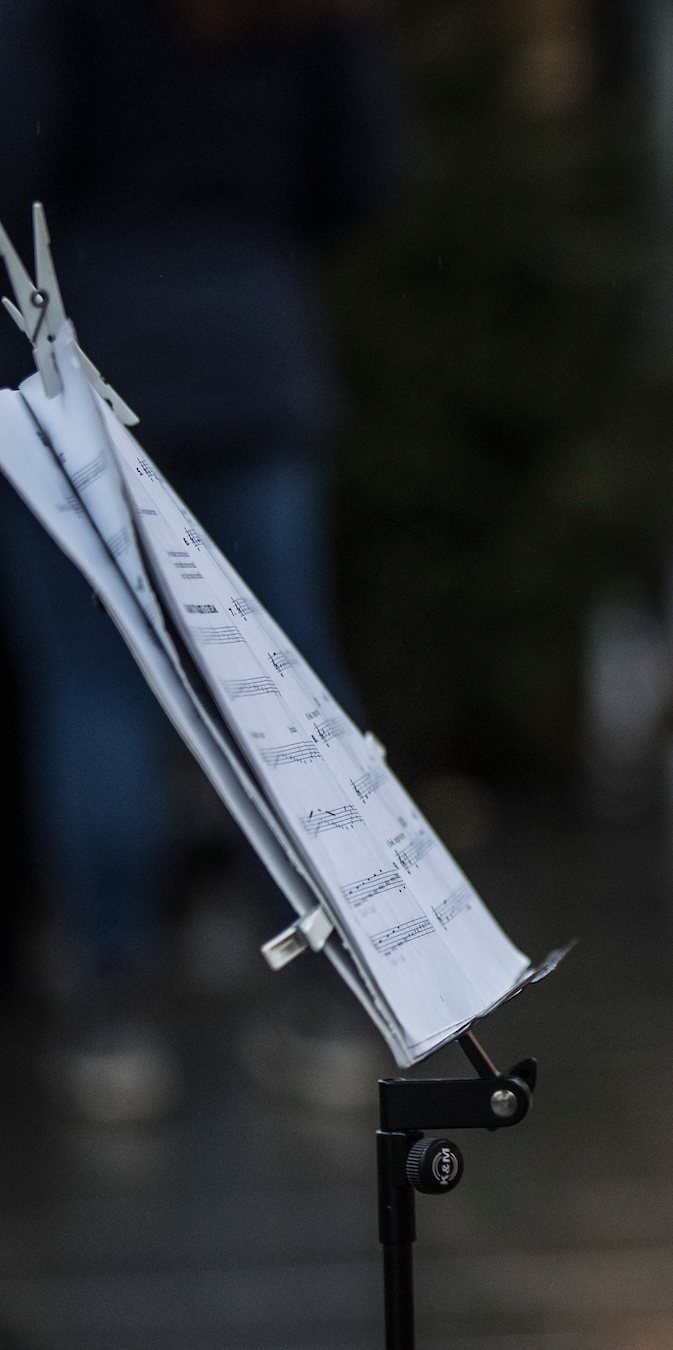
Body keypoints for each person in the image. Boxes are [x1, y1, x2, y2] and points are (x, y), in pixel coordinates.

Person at [0, 0, 405, 1122]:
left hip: (84, 350)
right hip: (250, 346)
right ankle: (335, 985)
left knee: (94, 685)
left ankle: (114, 995)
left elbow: (16, 150)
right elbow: (366, 169)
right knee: (286, 690)